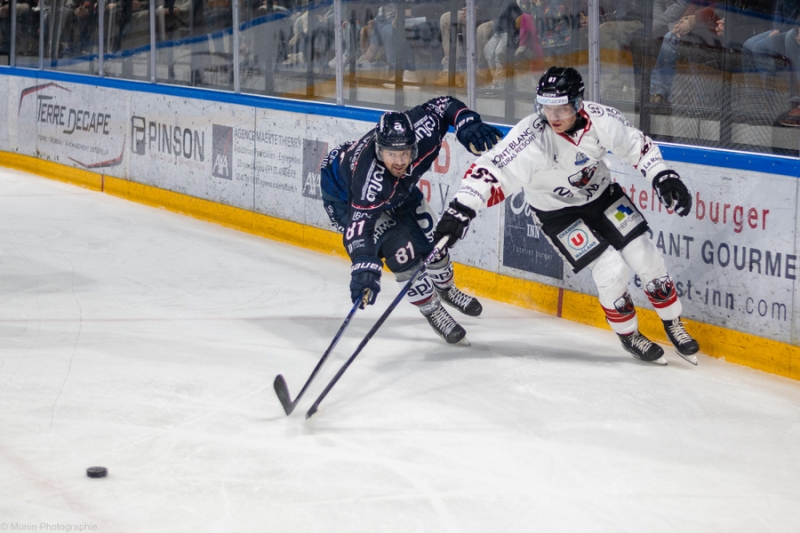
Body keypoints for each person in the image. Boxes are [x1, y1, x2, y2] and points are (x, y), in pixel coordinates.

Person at [433, 66, 701, 364]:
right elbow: (492, 170)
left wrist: (662, 176)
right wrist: (461, 208)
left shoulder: (602, 120)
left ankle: (673, 322)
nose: (554, 117)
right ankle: (629, 334)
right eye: (547, 108)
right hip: (557, 215)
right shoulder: (529, 137)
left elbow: (638, 146)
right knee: (611, 271)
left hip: (603, 197)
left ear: (578, 103)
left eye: (562, 107)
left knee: (645, 256)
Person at [319, 97, 503, 344]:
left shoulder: (424, 130)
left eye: (405, 153)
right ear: (379, 150)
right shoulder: (368, 180)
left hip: (398, 192)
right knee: (401, 251)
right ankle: (433, 310)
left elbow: (444, 105)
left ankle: (446, 289)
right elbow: (359, 229)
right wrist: (363, 265)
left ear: (413, 147)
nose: (399, 161)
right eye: (391, 154)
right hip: (345, 198)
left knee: (433, 240)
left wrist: (465, 120)